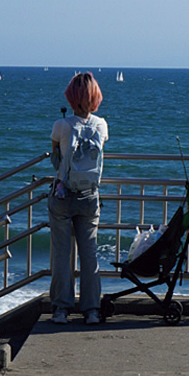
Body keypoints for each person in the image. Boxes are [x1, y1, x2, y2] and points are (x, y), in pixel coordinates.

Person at [48, 71, 108, 325]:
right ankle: (91, 309)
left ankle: (61, 309)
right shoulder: (101, 125)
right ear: (96, 98)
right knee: (89, 254)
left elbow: (55, 157)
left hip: (63, 195)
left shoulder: (61, 125)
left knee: (62, 255)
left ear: (70, 98)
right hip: (89, 196)